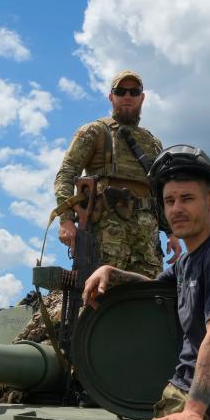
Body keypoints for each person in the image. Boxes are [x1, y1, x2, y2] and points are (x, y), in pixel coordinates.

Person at [82, 145, 210, 420]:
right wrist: (112, 272)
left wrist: (194, 410)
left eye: (187, 199)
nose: (177, 208)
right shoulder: (189, 261)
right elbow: (153, 288)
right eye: (170, 201)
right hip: (183, 396)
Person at [54, 70, 181, 278]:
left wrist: (171, 232)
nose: (127, 96)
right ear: (112, 97)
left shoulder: (152, 142)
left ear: (142, 97)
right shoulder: (95, 131)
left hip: (146, 240)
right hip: (107, 235)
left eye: (134, 91)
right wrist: (66, 219)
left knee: (148, 297)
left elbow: (160, 190)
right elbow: (66, 174)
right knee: (101, 295)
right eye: (121, 91)